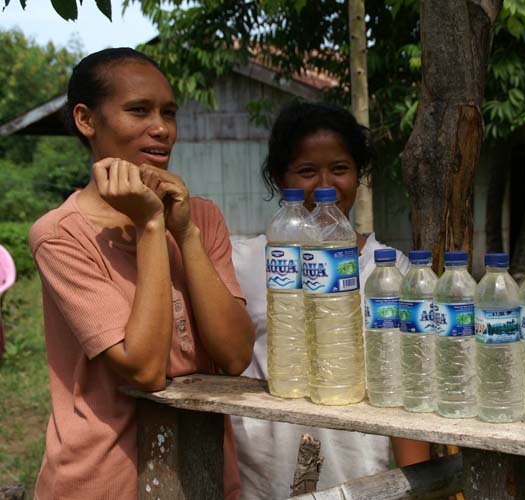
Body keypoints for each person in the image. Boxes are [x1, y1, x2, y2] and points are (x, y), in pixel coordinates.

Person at [29, 48, 254, 500]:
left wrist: (184, 232)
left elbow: (234, 356)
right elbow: (146, 369)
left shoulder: (201, 218)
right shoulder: (61, 235)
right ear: (86, 120)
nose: (162, 129)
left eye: (168, 113)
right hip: (103, 481)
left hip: (203, 475)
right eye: (139, 110)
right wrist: (152, 225)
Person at [231, 102, 430, 499]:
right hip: (261, 478)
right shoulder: (242, 262)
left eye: (340, 169)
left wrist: (419, 485)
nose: (325, 185)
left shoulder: (391, 271)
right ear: (278, 177)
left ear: (359, 175)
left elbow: (406, 386)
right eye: (307, 171)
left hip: (357, 477)